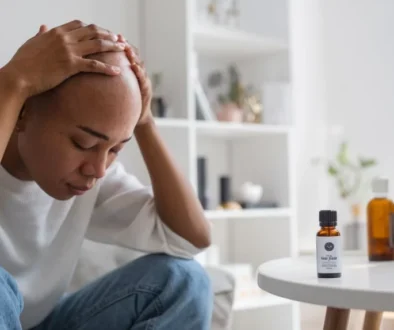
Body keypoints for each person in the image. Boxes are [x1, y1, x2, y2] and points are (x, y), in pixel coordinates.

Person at [0, 20, 213, 330]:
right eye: (82, 143)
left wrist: (145, 123)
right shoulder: (13, 96)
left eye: (114, 149)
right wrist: (13, 81)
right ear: (23, 113)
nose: (97, 169)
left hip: (46, 322)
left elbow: (191, 239)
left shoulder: (94, 178)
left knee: (185, 281)